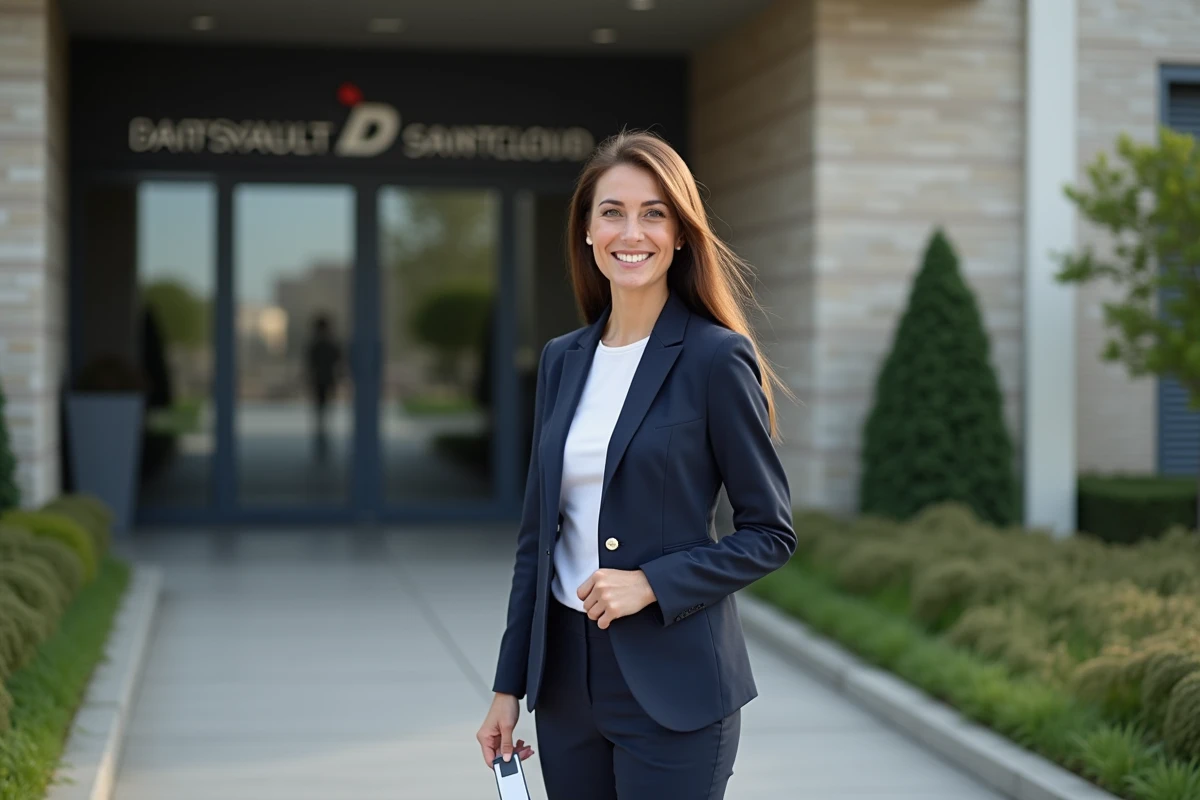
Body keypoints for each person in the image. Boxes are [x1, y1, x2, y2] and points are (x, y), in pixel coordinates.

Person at [475, 130, 797, 799]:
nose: (633, 232)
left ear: (681, 234)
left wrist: (650, 582)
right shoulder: (563, 360)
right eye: (613, 211)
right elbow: (537, 542)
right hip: (565, 685)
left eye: (654, 213)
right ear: (588, 232)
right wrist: (509, 687)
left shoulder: (715, 357)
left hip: (675, 688)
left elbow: (770, 534)